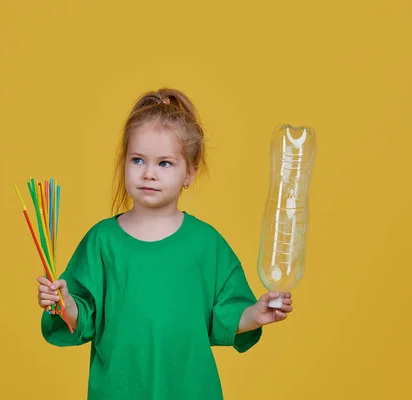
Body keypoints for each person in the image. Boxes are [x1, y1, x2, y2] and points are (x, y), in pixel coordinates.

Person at [36, 88, 293, 399]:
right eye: (138, 160)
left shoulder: (206, 244)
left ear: (190, 172)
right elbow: (83, 316)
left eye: (165, 164)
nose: (149, 174)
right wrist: (65, 303)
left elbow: (223, 316)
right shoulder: (102, 242)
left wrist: (255, 314)